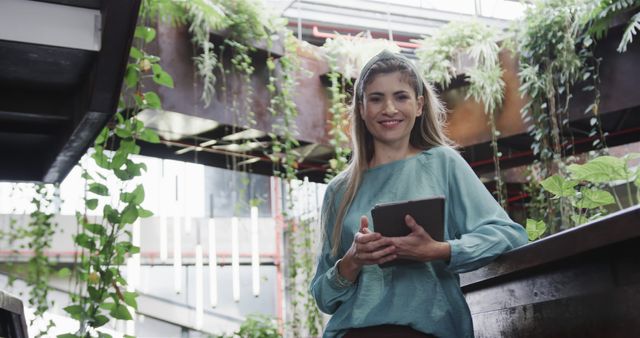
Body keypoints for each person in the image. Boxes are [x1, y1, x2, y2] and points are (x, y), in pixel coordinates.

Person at [309, 50, 528, 338]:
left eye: (401, 96)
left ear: (419, 105)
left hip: (429, 330)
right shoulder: (339, 190)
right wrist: (352, 261)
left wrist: (440, 250)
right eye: (376, 98)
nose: (389, 108)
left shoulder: (443, 163)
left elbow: (509, 235)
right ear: (361, 109)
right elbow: (323, 297)